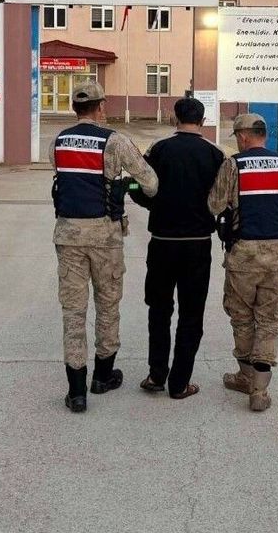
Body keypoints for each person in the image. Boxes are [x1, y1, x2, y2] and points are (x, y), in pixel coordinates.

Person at [50, 81, 158, 414]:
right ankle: (103, 376)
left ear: (74, 108)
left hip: (68, 234)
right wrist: (124, 185)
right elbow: (151, 183)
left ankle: (76, 391)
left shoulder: (58, 141)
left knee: (73, 312)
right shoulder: (114, 141)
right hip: (104, 237)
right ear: (101, 106)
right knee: (107, 304)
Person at [128, 96, 225, 400]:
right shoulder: (215, 154)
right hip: (198, 245)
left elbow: (137, 186)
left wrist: (155, 205)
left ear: (174, 118)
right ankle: (180, 383)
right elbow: (223, 197)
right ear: (203, 121)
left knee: (159, 309)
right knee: (191, 314)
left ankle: (156, 374)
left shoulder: (158, 149)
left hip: (162, 243)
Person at [208, 113, 278, 412]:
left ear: (244, 136)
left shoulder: (234, 165)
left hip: (243, 254)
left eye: (236, 137)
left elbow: (214, 205)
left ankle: (245, 377)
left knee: (242, 316)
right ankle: (259, 390)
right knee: (271, 319)